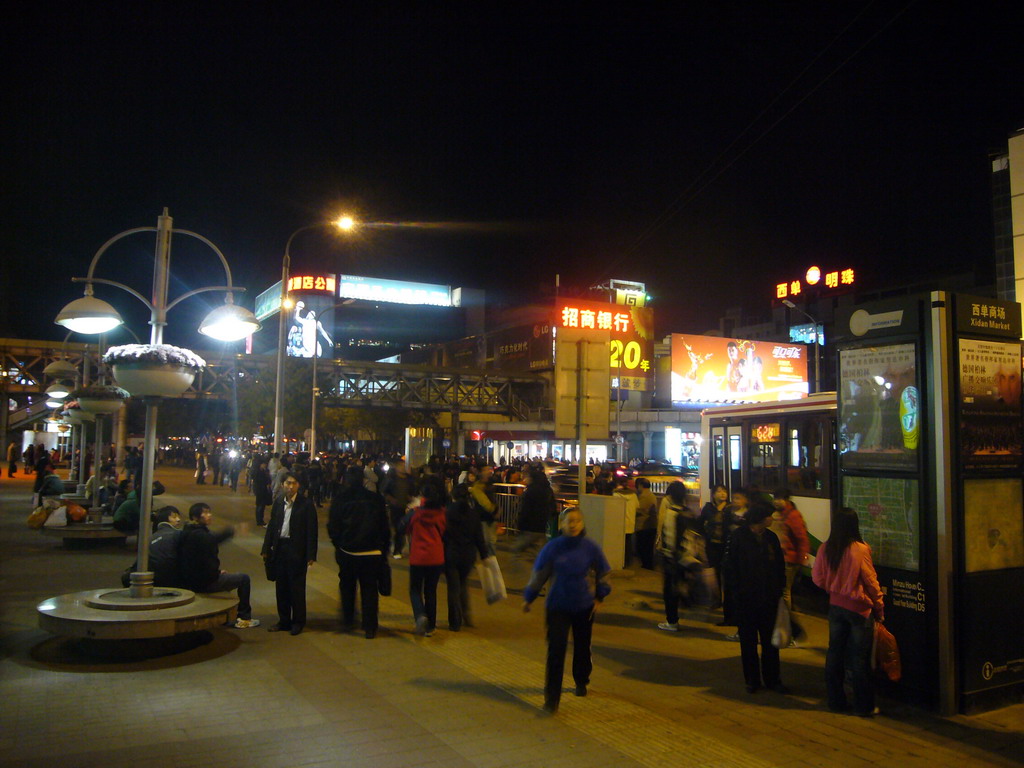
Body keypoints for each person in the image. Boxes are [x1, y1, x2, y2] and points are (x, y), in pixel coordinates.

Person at [522, 507, 611, 714]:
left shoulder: (591, 548)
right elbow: (539, 574)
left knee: (582, 646)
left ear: (582, 524)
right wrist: (529, 597)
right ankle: (552, 699)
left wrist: (600, 595)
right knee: (556, 651)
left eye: (577, 521)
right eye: (569, 521)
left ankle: (581, 681)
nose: (573, 525)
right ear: (561, 524)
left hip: (584, 606)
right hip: (557, 606)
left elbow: (604, 572)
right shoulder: (552, 548)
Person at [812, 507, 885, 716]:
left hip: (836, 608)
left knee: (834, 654)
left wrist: (833, 588)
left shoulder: (826, 548)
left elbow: (817, 578)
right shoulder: (860, 549)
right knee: (859, 659)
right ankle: (864, 706)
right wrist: (879, 607)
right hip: (858, 611)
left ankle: (836, 701)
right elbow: (871, 582)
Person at [723, 501, 787, 694]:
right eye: (769, 515)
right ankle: (752, 680)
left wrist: (779, 589)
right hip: (746, 599)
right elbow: (730, 567)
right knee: (748, 642)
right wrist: (736, 593)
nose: (772, 518)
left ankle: (772, 679)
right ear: (760, 517)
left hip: (768, 598)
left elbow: (779, 565)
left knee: (770, 642)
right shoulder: (738, 537)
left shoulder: (771, 538)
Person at [328, 465, 390, 638]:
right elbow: (384, 526)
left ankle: (348, 620)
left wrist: (339, 544)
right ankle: (370, 626)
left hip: (348, 551)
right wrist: (383, 549)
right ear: (364, 480)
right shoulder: (375, 499)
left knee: (347, 587)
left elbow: (333, 526)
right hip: (372, 552)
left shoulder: (340, 500)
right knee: (370, 589)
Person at [178, 503, 260, 628]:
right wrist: (233, 530)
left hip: (193, 579)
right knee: (244, 579)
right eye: (205, 513)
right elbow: (214, 540)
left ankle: (230, 613)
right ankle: (244, 617)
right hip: (203, 582)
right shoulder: (199, 535)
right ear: (195, 517)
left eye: (209, 512)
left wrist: (217, 572)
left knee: (229, 577)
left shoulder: (189, 531)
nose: (209, 515)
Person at [262, 472, 318, 635]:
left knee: (297, 588)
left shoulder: (306, 505)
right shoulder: (279, 502)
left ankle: (298, 621)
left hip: (297, 550)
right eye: (288, 483)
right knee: (281, 587)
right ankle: (284, 620)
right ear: (282, 485)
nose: (290, 486)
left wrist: (310, 555)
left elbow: (311, 531)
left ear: (299, 485)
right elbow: (272, 527)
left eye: (294, 483)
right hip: (280, 549)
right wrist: (266, 548)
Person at [403, 474, 447, 636]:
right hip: (436, 557)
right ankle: (431, 626)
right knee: (431, 591)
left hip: (418, 557)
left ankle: (420, 615)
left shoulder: (415, 513)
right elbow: (444, 532)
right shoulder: (442, 513)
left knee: (415, 589)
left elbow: (404, 527)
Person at [656, 481, 702, 631]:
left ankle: (672, 621)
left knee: (670, 590)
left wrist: (664, 552)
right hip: (688, 557)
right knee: (682, 584)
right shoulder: (689, 512)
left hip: (673, 558)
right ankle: (688, 602)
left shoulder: (672, 513)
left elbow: (669, 536)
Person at [445, 482, 489, 631]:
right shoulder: (473, 514)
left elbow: (444, 535)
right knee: (463, 585)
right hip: (468, 555)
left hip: (451, 554)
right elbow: (479, 537)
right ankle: (467, 615)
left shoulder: (448, 512)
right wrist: (484, 555)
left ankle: (455, 621)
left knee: (453, 588)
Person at [772, 487, 810, 642]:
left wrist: (801, 560)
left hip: (789, 560)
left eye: (780, 498)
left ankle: (788, 619)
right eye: (775, 498)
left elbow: (802, 539)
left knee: (784, 591)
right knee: (783, 591)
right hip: (780, 558)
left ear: (787, 500)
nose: (777, 501)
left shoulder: (793, 516)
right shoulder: (777, 515)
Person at [513, 468, 556, 561]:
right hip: (543, 525)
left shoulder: (530, 491)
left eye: (528, 477)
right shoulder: (548, 490)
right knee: (539, 550)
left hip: (530, 526)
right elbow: (553, 507)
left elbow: (525, 510)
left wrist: (519, 524)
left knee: (517, 548)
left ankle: (519, 567)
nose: (526, 479)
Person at [699, 484, 732, 608]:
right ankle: (716, 599)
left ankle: (728, 601)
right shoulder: (708, 508)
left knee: (727, 573)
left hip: (727, 545)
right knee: (715, 572)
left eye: (724, 491)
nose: (722, 493)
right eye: (719, 491)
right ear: (713, 494)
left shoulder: (730, 508)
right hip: (712, 545)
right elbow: (700, 523)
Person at [383, 457, 413, 559]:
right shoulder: (391, 478)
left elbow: (413, 490)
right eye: (401, 466)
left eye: (404, 466)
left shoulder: (409, 478)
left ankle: (400, 548)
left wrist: (410, 497)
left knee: (405, 529)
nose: (403, 468)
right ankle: (397, 550)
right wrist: (391, 499)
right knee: (398, 529)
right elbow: (385, 491)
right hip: (396, 508)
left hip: (407, 507)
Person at [470, 464, 498, 553]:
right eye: (485, 470)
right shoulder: (477, 486)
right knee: (486, 543)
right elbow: (485, 503)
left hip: (490, 518)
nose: (488, 471)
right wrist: (494, 509)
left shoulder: (489, 483)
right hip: (483, 517)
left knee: (491, 542)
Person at [612, 475, 638, 566]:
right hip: (630, 522)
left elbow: (613, 509)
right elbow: (637, 506)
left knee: (619, 544)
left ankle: (620, 562)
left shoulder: (616, 495)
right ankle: (628, 562)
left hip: (619, 522)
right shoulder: (633, 495)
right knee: (628, 542)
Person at [633, 478, 658, 570]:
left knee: (644, 547)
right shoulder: (651, 495)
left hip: (645, 525)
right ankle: (648, 565)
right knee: (648, 547)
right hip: (650, 525)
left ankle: (647, 566)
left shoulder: (644, 496)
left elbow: (639, 509)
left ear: (640, 485)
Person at [252, 460, 273, 527]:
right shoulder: (258, 472)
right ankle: (259, 520)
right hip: (260, 491)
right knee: (260, 506)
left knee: (262, 506)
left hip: (263, 491)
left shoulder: (264, 471)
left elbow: (269, 480)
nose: (265, 465)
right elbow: (259, 481)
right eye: (264, 464)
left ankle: (260, 520)